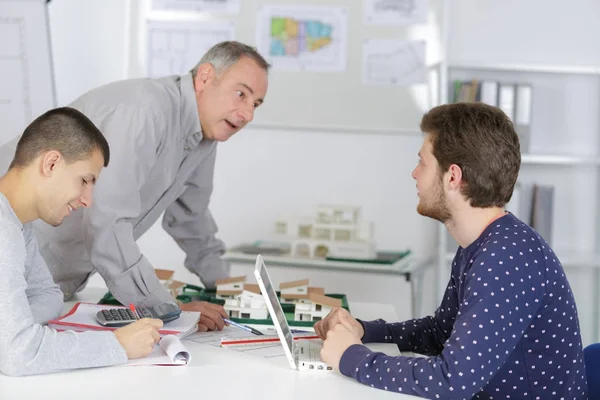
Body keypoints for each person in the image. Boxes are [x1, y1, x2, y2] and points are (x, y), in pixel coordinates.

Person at [314, 103, 588, 399]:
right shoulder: (483, 244)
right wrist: (365, 331)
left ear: (453, 177)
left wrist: (351, 357)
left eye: (423, 163)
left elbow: (451, 381)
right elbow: (439, 334)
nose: (414, 174)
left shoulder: (506, 258)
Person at [0, 41, 269, 332]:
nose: (247, 114)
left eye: (255, 104)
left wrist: (226, 290)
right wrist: (165, 308)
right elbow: (108, 223)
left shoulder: (203, 137)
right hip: (14, 262)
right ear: (204, 77)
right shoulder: (145, 112)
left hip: (50, 285)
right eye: (241, 94)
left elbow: (192, 220)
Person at [0, 107, 163, 376]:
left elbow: (49, 295)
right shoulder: (3, 230)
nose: (87, 200)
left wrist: (12, 328)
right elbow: (19, 354)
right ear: (51, 163)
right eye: (85, 180)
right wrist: (117, 344)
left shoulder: (19, 224)